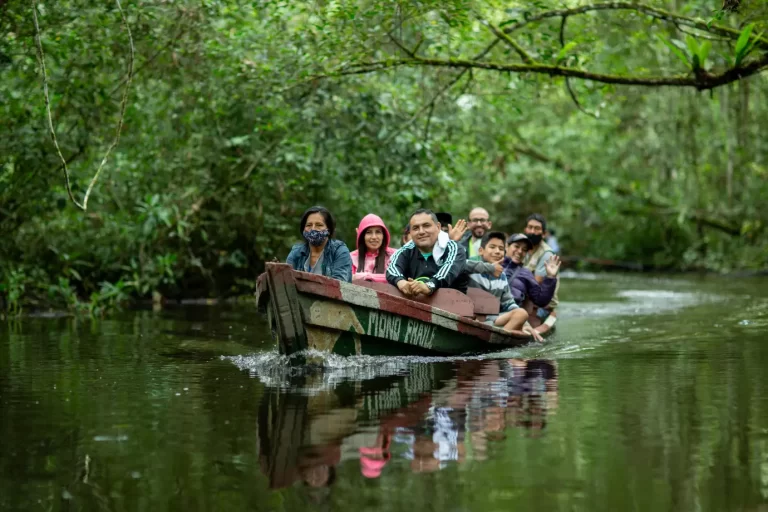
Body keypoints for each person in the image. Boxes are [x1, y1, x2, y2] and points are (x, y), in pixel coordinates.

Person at [386, 209, 468, 296]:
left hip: (453, 306)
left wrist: (429, 286)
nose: (421, 231)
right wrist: (401, 282)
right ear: (410, 232)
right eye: (416, 228)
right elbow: (392, 269)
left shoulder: (454, 248)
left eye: (426, 226)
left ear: (438, 227)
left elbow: (449, 271)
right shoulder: (406, 251)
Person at [464, 231, 529, 333]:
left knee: (521, 314)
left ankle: (498, 340)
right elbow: (458, 264)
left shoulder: (501, 274)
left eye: (501, 249)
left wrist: (525, 323)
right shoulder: (472, 264)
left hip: (491, 319)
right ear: (481, 250)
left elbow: (508, 302)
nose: (497, 251)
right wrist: (489, 268)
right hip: (468, 317)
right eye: (492, 247)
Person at [286, 206, 352, 282]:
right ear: (303, 229)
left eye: (319, 225)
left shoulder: (339, 251)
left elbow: (340, 283)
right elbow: (286, 280)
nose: (313, 229)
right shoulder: (296, 252)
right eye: (309, 225)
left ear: (329, 229)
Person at [502, 234, 560, 309]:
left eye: (524, 249)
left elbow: (541, 301)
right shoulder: (492, 265)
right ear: (506, 246)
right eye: (516, 246)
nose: (520, 251)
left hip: (511, 314)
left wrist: (550, 277)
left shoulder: (526, 273)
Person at [523, 214, 560, 315]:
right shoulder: (522, 249)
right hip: (524, 299)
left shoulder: (546, 254)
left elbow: (536, 282)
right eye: (530, 227)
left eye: (537, 228)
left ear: (544, 234)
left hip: (543, 305)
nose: (532, 232)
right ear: (525, 230)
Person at [349, 214, 396, 282]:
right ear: (362, 235)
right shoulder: (351, 258)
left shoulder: (395, 255)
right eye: (369, 232)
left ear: (384, 235)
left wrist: (364, 276)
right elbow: (346, 279)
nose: (374, 237)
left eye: (378, 232)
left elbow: (396, 278)